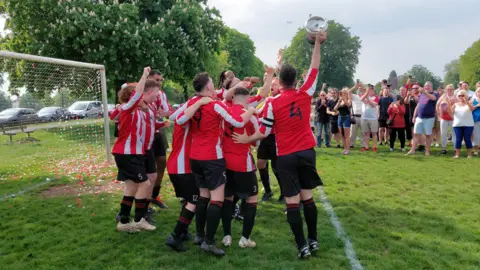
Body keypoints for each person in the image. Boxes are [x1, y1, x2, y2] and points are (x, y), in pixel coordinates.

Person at [232, 30, 326, 259]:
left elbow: (263, 131)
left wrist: (247, 139)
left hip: (285, 156)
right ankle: (313, 239)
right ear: (295, 80)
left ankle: (302, 245)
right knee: (308, 198)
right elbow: (314, 67)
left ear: (280, 82)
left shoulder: (273, 102)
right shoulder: (305, 93)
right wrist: (316, 43)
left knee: (292, 202)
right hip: (306, 151)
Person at [174, 72, 256, 256]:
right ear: (209, 87)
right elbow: (236, 121)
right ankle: (209, 242)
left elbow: (177, 119)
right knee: (217, 199)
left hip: (195, 157)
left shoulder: (192, 103)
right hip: (212, 157)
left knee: (203, 196)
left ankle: (200, 235)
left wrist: (196, 104)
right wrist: (250, 111)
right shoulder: (215, 105)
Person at [165, 96, 213, 252]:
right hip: (181, 167)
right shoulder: (185, 119)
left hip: (177, 166)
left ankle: (183, 232)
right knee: (194, 200)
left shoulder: (184, 116)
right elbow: (178, 117)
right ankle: (175, 235)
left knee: (188, 199)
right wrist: (198, 103)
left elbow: (173, 115)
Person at [113, 67, 157, 232]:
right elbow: (137, 95)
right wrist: (144, 75)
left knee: (131, 186)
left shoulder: (136, 111)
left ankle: (124, 222)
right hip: (127, 153)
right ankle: (139, 220)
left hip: (132, 154)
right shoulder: (127, 108)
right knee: (144, 183)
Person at [221, 87, 261, 249]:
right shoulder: (249, 116)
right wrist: (248, 139)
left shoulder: (224, 113)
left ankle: (227, 236)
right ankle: (244, 239)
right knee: (252, 199)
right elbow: (257, 141)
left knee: (227, 198)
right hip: (243, 163)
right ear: (247, 97)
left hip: (225, 162)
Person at [256, 77, 284, 202]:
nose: (272, 86)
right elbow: (259, 113)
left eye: (275, 84)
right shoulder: (268, 100)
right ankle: (267, 191)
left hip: (276, 137)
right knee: (261, 163)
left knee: (276, 166)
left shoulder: (281, 99)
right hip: (264, 136)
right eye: (271, 84)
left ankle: (284, 192)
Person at [148, 70, 170, 210]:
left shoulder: (161, 94)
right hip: (147, 131)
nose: (159, 83)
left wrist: (165, 113)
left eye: (161, 80)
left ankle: (154, 195)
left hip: (159, 129)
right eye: (157, 79)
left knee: (162, 162)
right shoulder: (143, 92)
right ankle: (144, 199)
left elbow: (166, 111)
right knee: (148, 168)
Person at [407, 82, 438, 156]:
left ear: (431, 87)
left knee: (428, 135)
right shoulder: (421, 95)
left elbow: (433, 98)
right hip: (419, 118)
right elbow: (418, 106)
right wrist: (414, 116)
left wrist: (424, 92)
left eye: (428, 86)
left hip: (429, 118)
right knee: (416, 134)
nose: (427, 87)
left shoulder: (434, 93)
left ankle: (427, 151)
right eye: (425, 86)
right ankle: (413, 150)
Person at [450, 90, 475, 158]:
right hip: (457, 125)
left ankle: (469, 154)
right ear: (457, 97)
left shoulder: (469, 103)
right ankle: (457, 154)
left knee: (467, 139)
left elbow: (472, 109)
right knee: (458, 139)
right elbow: (451, 112)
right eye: (459, 95)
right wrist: (451, 106)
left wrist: (467, 102)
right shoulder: (455, 104)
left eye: (463, 95)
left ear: (466, 96)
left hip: (468, 125)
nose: (461, 97)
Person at [437, 84, 456, 155]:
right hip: (444, 118)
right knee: (443, 133)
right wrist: (439, 114)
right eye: (448, 89)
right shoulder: (443, 96)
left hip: (453, 118)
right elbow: (437, 104)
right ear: (446, 90)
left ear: (453, 90)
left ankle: (455, 149)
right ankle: (444, 148)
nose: (449, 90)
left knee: (454, 134)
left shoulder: (455, 97)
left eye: (451, 89)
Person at [360, 84, 379, 152]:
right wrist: (366, 94)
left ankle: (374, 146)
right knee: (366, 133)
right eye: (369, 89)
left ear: (373, 90)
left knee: (374, 133)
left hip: (373, 118)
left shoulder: (376, 97)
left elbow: (373, 104)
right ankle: (366, 146)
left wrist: (367, 97)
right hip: (364, 117)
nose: (370, 90)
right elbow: (361, 99)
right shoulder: (364, 96)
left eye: (371, 89)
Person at [334, 88, 352, 155]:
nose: (343, 94)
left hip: (346, 118)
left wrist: (344, 99)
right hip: (340, 118)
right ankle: (344, 149)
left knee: (347, 135)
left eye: (345, 93)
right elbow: (335, 109)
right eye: (342, 93)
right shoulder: (340, 100)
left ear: (347, 94)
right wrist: (339, 102)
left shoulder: (349, 100)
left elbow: (349, 105)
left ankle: (348, 149)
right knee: (342, 135)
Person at [349, 83, 365, 149]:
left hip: (363, 116)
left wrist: (363, 86)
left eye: (361, 89)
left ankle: (363, 145)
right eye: (359, 89)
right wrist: (354, 86)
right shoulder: (354, 96)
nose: (360, 90)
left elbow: (366, 92)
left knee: (363, 132)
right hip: (355, 116)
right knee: (353, 132)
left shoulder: (365, 96)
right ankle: (351, 144)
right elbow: (349, 92)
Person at [472, 88, 480, 156]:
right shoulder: (475, 100)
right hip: (477, 119)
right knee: (477, 135)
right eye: (478, 92)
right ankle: (476, 150)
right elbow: (471, 108)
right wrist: (477, 105)